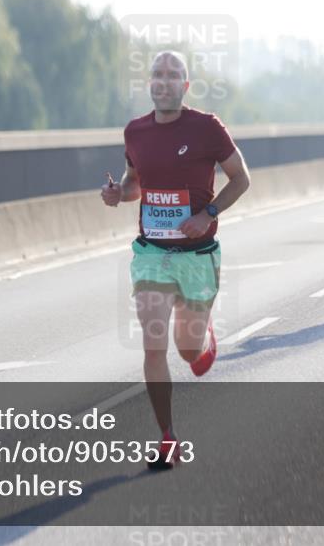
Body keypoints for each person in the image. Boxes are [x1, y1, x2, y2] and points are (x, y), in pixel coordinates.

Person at [101, 51, 250, 470]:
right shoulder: (135, 132)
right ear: (149, 85)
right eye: (157, 75)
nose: (163, 82)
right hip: (151, 254)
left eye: (173, 76)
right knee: (153, 344)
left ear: (185, 87)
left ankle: (202, 343)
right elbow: (135, 184)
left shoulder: (207, 128)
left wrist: (208, 214)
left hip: (197, 255)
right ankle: (167, 438)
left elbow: (242, 178)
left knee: (188, 353)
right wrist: (118, 195)